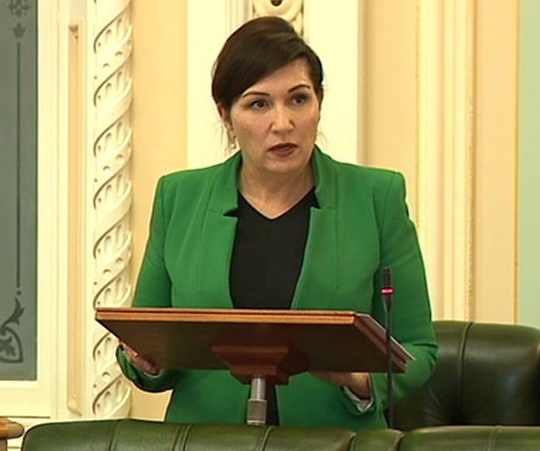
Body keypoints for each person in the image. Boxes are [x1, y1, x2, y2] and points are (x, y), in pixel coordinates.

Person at [117, 15, 437, 430]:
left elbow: (418, 350)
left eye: (299, 99)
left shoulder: (377, 197)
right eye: (258, 103)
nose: (282, 123)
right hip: (209, 440)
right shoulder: (180, 198)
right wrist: (145, 360)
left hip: (335, 440)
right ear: (226, 116)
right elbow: (150, 342)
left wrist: (362, 381)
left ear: (319, 103)